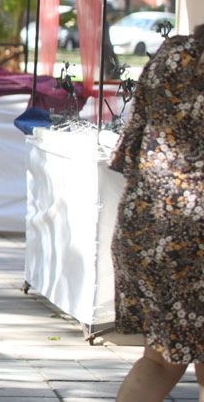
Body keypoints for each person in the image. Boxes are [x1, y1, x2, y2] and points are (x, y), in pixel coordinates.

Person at [110, 23, 204, 402]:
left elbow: (128, 145)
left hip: (147, 223)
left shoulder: (170, 55)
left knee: (162, 357)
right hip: (193, 233)